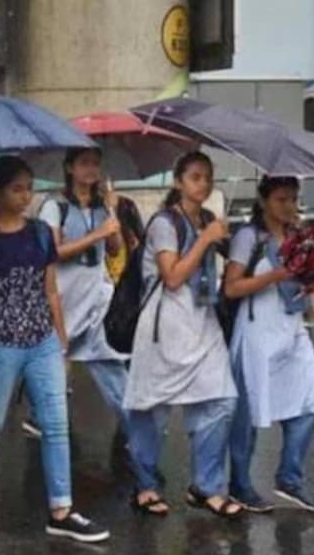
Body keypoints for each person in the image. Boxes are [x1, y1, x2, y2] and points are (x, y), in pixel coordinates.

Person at [0, 156, 110, 542]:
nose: (25, 195)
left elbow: (50, 290)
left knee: (55, 423)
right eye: (17, 188)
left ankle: (61, 508)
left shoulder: (41, 233)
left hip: (41, 340)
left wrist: (60, 342)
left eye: (29, 188)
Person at [122, 151, 243, 519]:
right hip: (166, 326)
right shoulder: (164, 223)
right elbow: (172, 277)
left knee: (221, 399)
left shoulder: (207, 218)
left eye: (207, 177)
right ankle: (145, 485)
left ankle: (207, 485)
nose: (203, 184)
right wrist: (205, 239)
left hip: (203, 322)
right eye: (194, 177)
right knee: (152, 410)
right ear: (178, 182)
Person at [225, 176, 314, 513]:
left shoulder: (298, 237)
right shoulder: (248, 237)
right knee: (249, 413)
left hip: (292, 327)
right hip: (258, 331)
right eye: (281, 199)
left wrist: (308, 283)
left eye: (293, 199)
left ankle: (289, 476)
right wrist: (273, 276)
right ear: (263, 200)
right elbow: (231, 287)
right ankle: (240, 485)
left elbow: (297, 277)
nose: (289, 206)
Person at [32, 147, 130, 439]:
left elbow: (114, 249)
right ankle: (43, 416)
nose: (91, 170)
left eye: (95, 164)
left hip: (96, 293)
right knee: (57, 355)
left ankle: (133, 423)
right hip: (64, 291)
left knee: (108, 357)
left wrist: (113, 216)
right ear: (70, 168)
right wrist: (96, 234)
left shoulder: (102, 206)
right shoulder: (55, 205)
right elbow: (53, 251)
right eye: (84, 163)